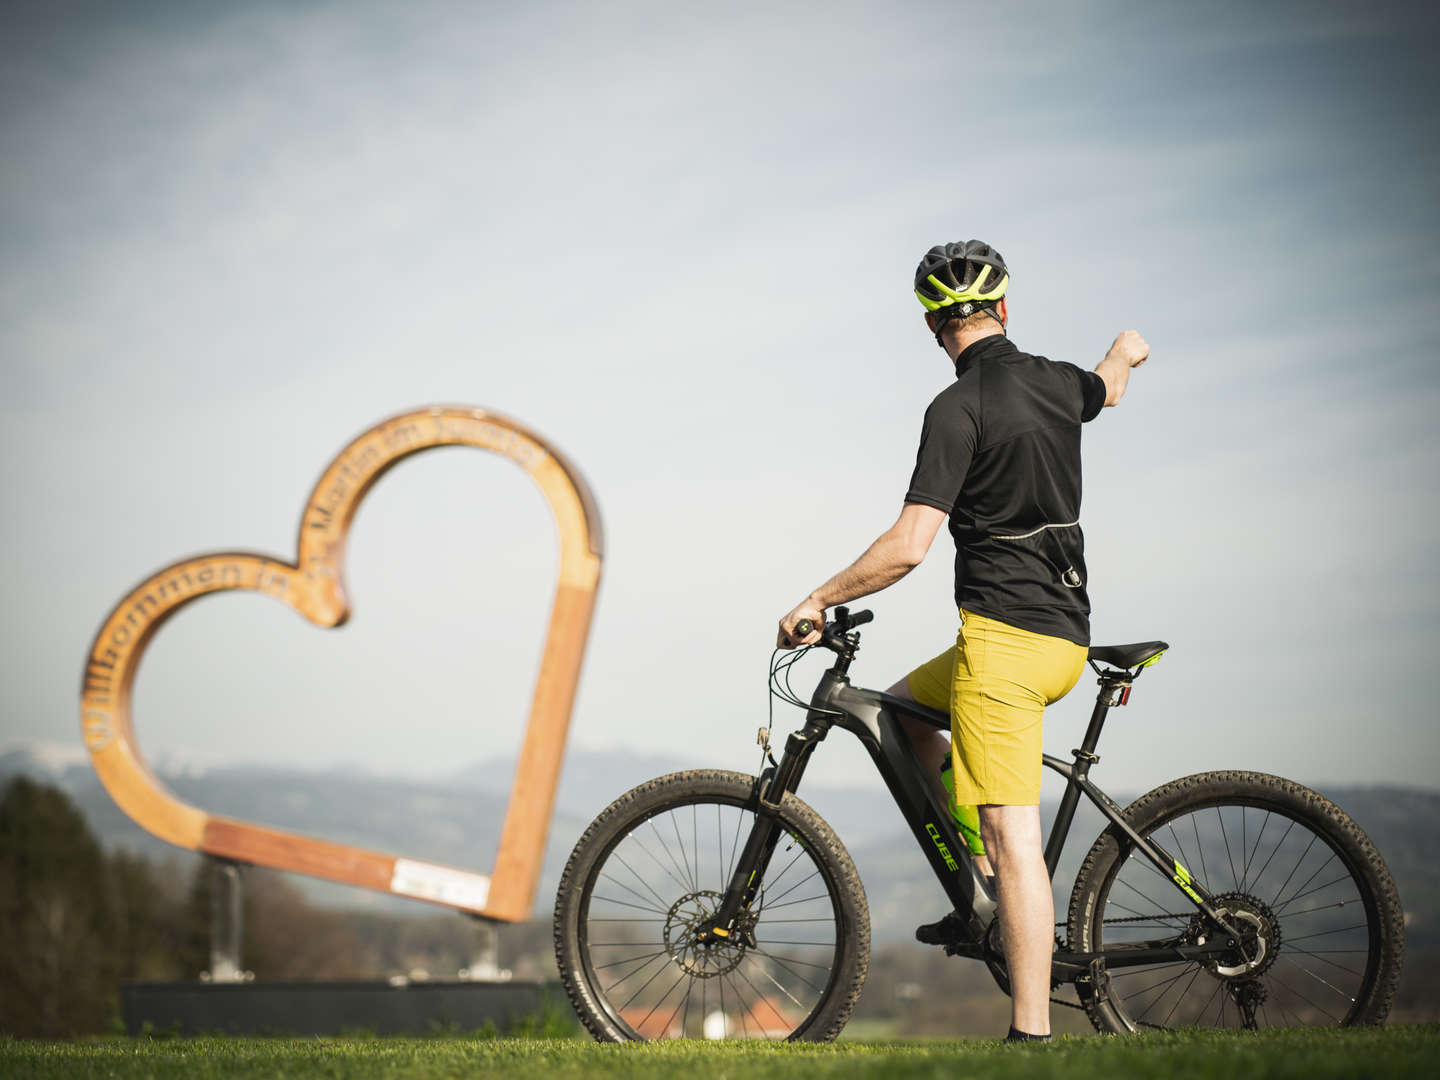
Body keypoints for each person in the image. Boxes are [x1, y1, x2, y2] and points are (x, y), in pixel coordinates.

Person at [777, 239, 1149, 1042]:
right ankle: (977, 890)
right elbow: (1109, 386)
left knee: (1013, 837)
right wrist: (1126, 349)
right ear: (1004, 309)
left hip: (1004, 646)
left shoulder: (957, 408)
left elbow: (911, 544)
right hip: (1060, 638)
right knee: (906, 713)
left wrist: (819, 596)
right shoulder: (1057, 382)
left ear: (932, 328)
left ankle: (1032, 1035)